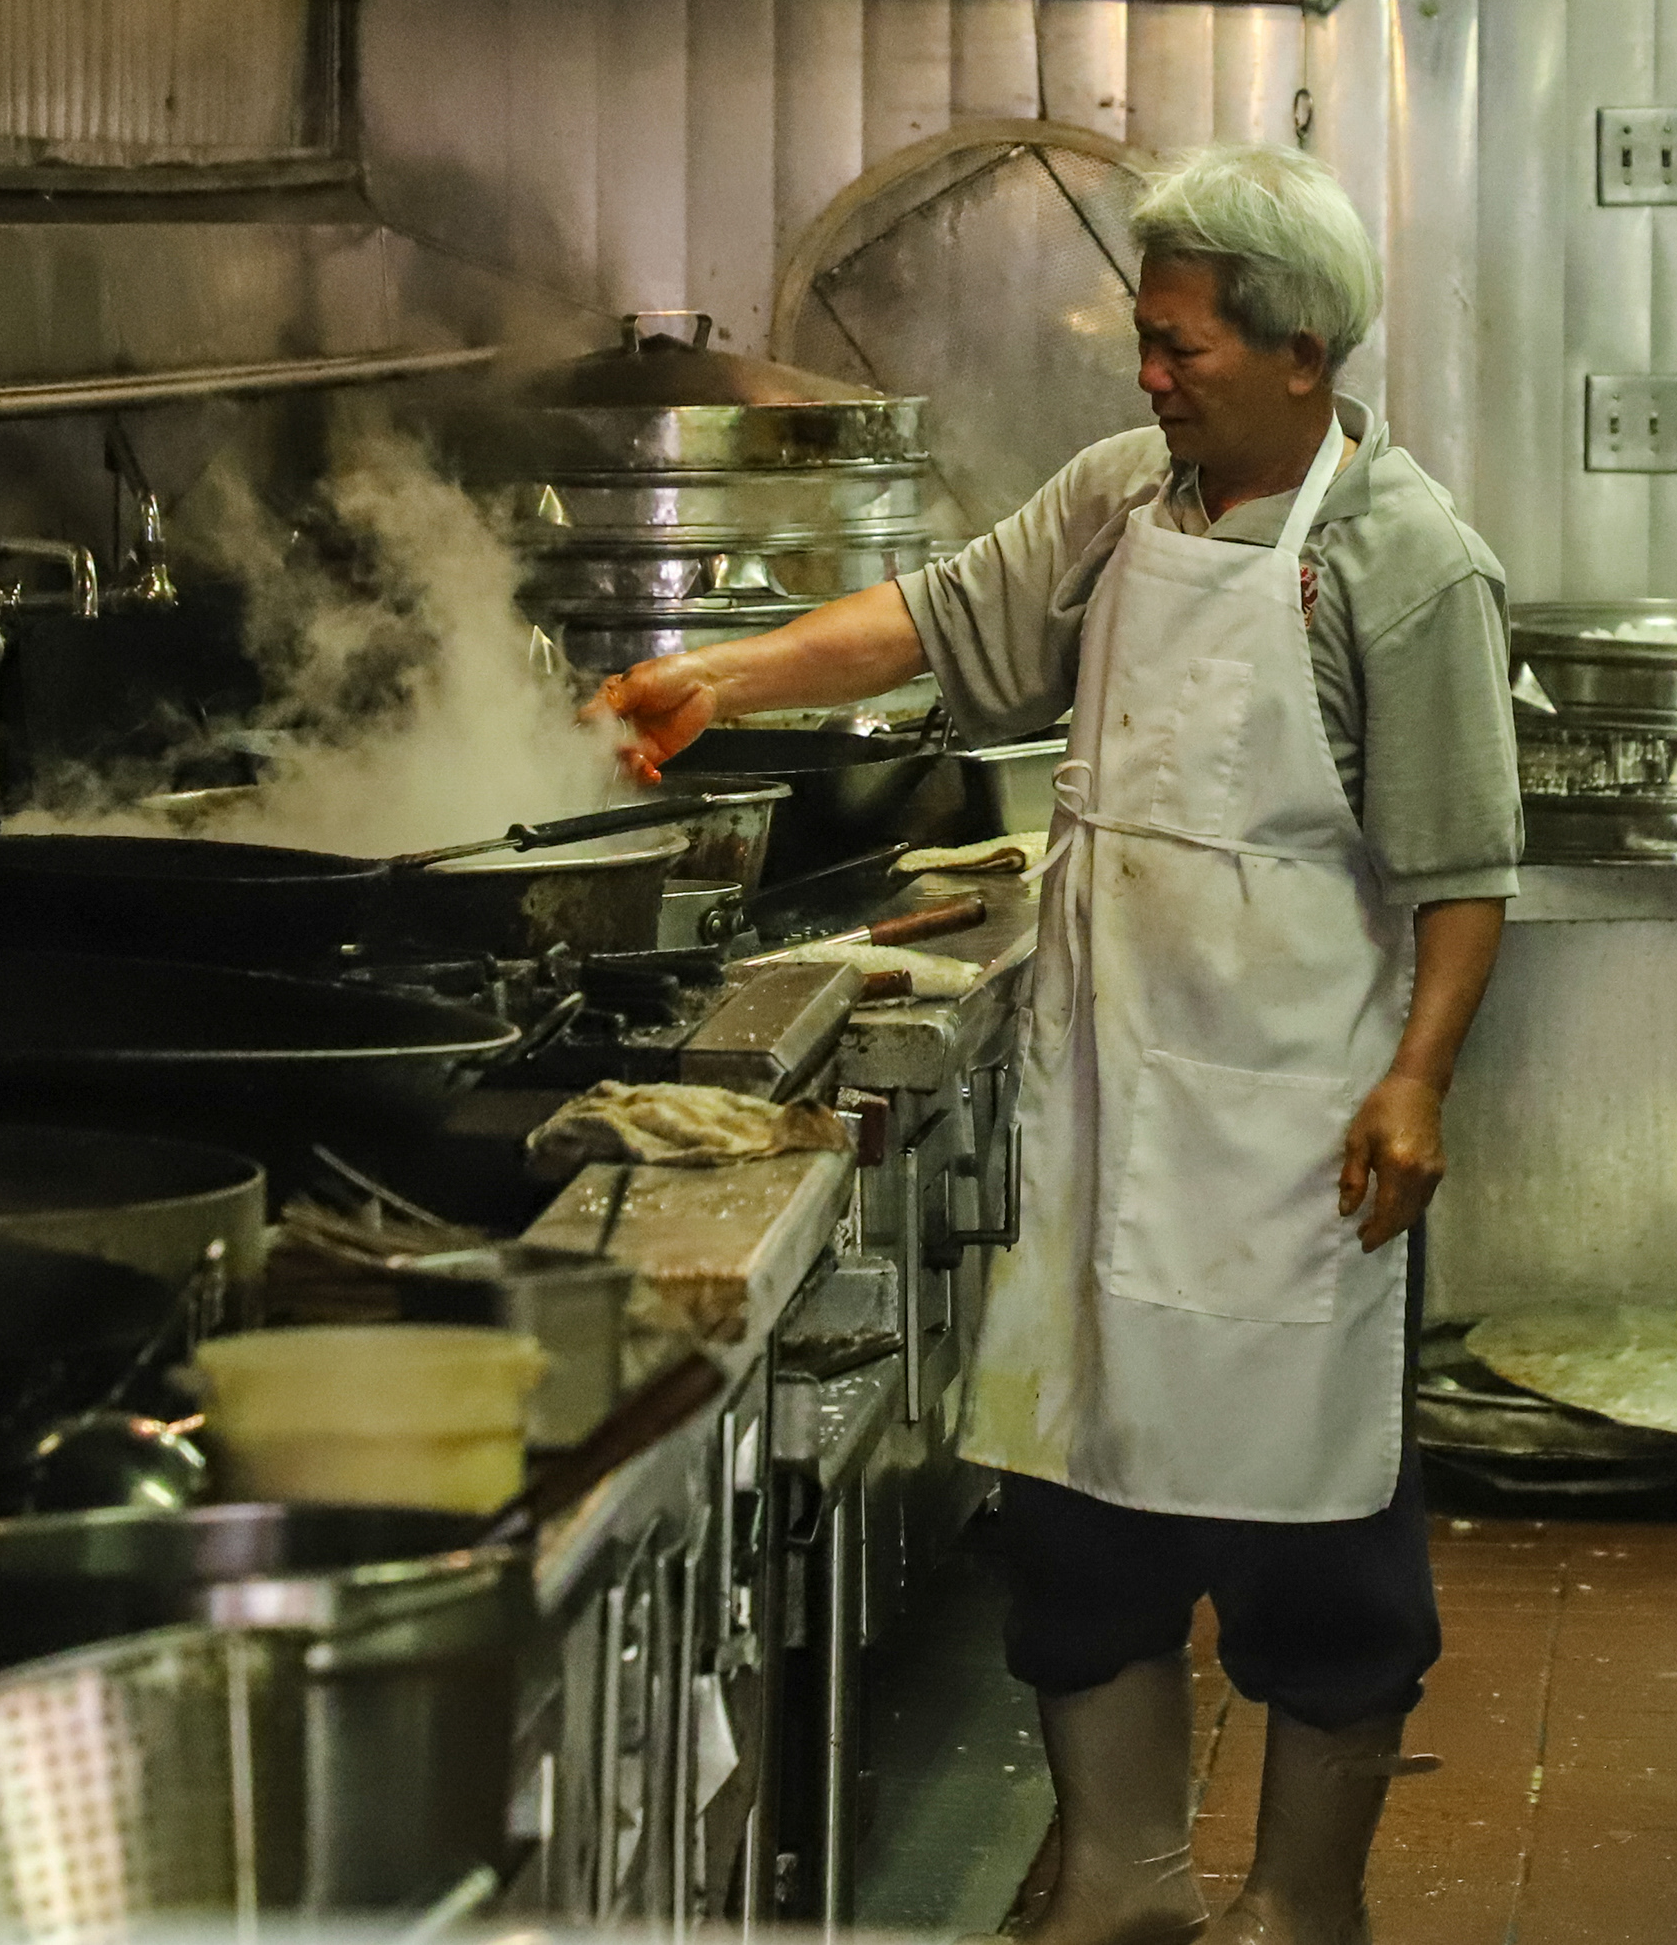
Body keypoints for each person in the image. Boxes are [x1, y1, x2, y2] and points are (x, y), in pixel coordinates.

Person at [605, 144, 1517, 1945]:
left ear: (1302, 351)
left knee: (1316, 1542)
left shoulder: (1401, 565)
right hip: (1103, 1107)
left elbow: (1470, 874)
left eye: (1178, 345)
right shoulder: (1125, 498)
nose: (1149, 372)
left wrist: (1415, 1083)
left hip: (1290, 1139)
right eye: (1148, 341)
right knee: (1079, 1514)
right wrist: (722, 680)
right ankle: (1123, 1879)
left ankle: (1300, 1902)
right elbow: (941, 619)